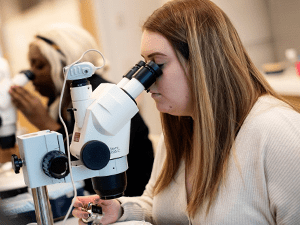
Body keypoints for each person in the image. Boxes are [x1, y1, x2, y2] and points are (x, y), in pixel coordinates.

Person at [71, 0, 300, 224]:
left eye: (157, 65)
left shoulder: (276, 132)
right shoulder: (182, 127)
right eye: (144, 65)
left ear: (202, 63)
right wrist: (121, 210)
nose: (147, 82)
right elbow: (159, 204)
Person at [9, 23, 154, 197]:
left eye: (39, 66)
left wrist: (45, 123)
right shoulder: (59, 102)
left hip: (130, 195)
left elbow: (88, 161)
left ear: (66, 64)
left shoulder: (106, 100)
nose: (32, 74)